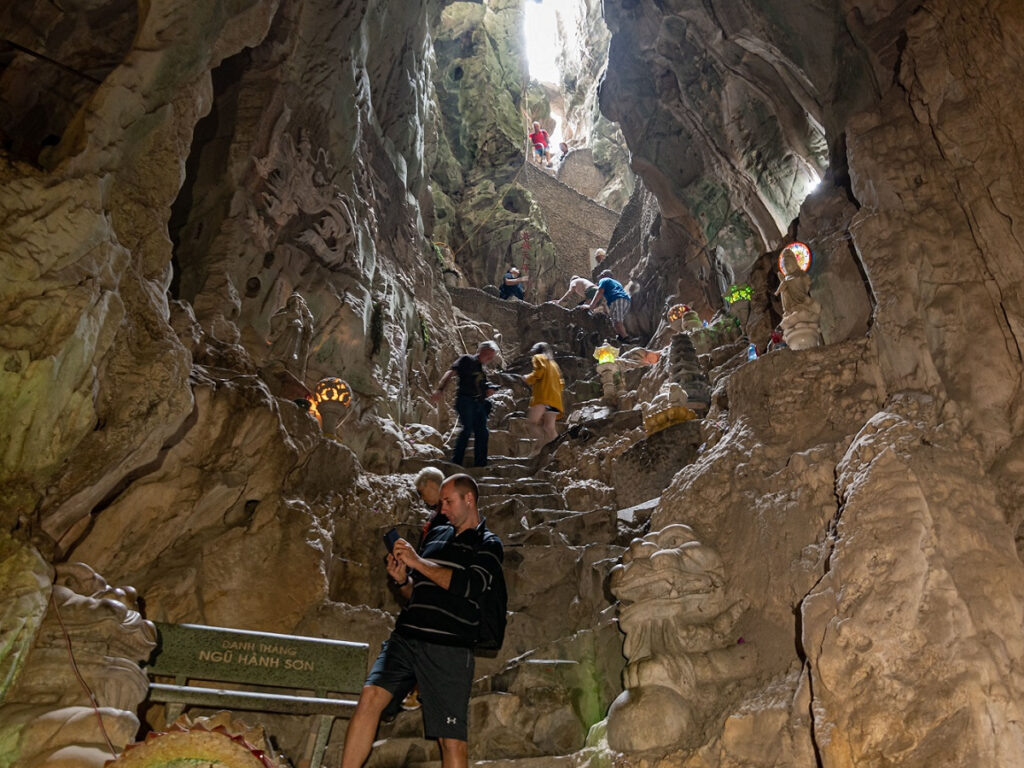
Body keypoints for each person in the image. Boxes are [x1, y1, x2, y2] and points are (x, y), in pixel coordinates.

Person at [339, 474, 504, 768]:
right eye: (440, 502)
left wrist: (417, 562)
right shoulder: (436, 535)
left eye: (448, 501)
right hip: (406, 635)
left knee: (450, 739)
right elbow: (416, 593)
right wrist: (403, 579)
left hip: (448, 646)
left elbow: (469, 587)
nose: (442, 509)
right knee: (370, 697)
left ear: (469, 499)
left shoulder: (488, 544)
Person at [431, 341, 499, 467]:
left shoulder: (482, 369)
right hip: (465, 400)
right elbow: (451, 372)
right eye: (490, 355)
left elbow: (481, 387)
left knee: (483, 432)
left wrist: (488, 391)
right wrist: (440, 389)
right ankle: (456, 462)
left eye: (492, 356)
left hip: (478, 403)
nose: (491, 358)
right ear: (483, 350)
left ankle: (480, 464)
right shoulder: (467, 359)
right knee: (467, 429)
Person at [522, 342, 564, 454]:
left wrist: (527, 378)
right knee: (549, 428)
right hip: (555, 400)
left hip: (543, 397)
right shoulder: (554, 364)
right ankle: (558, 450)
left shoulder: (539, 357)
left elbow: (539, 372)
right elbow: (561, 383)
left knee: (531, 423)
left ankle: (539, 444)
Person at [589, 269, 632, 342]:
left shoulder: (604, 280)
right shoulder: (616, 282)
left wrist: (591, 305)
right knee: (613, 321)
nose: (600, 277)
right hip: (625, 301)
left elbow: (600, 291)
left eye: (601, 275)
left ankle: (626, 339)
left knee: (618, 321)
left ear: (604, 275)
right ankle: (620, 337)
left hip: (617, 299)